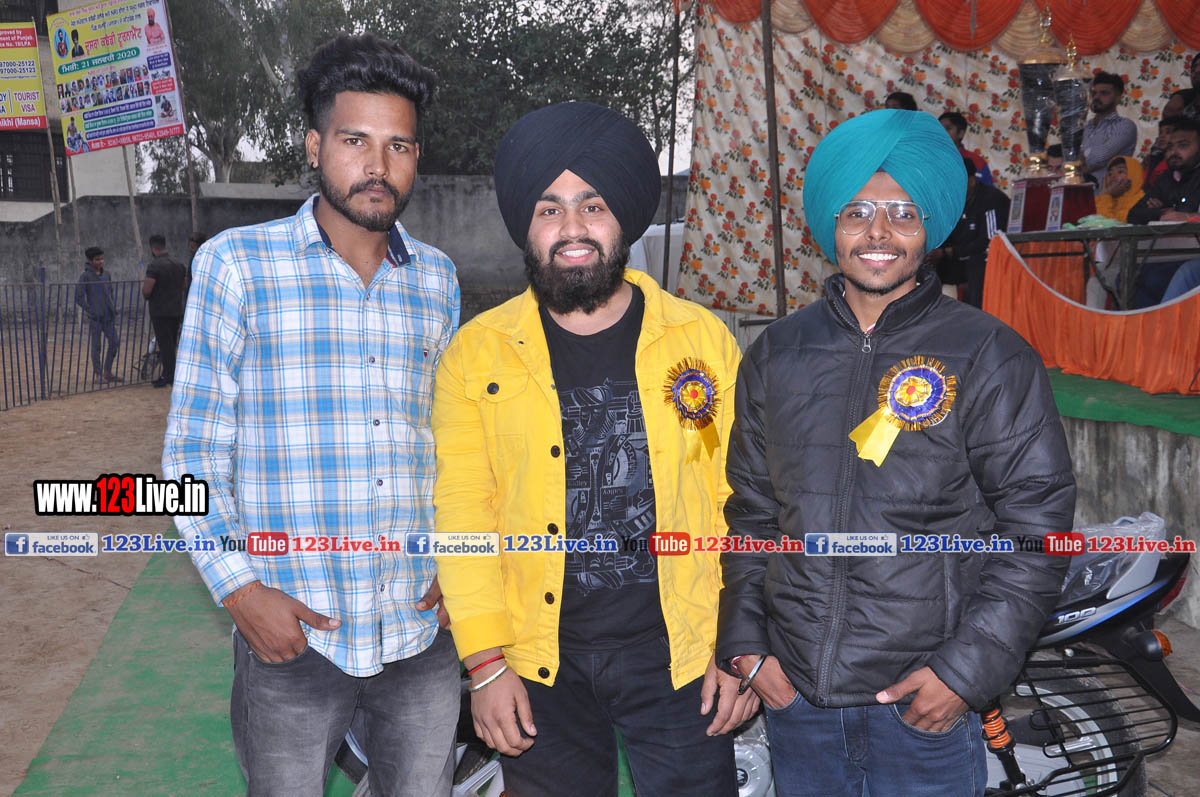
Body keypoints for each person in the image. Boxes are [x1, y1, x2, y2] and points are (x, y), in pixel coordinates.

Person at [716, 109, 1076, 797]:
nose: (878, 232)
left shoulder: (990, 355)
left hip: (922, 705)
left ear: (928, 229)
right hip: (798, 699)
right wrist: (748, 647)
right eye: (857, 212)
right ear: (831, 225)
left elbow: (1037, 531)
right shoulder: (777, 353)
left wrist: (964, 673)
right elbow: (752, 515)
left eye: (903, 213)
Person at [162, 34, 461, 796]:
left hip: (418, 629)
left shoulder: (437, 280)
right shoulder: (236, 266)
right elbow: (191, 455)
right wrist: (241, 591)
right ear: (314, 145)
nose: (378, 165)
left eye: (399, 146)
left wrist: (460, 565)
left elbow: (454, 444)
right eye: (355, 140)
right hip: (291, 633)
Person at [432, 101, 755, 796]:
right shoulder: (476, 354)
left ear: (623, 220)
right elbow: (463, 514)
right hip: (537, 664)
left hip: (684, 656)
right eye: (549, 209)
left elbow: (742, 501)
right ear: (526, 225)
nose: (572, 228)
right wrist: (484, 665)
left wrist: (740, 643)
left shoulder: (702, 340)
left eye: (593, 206)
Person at [1127, 118, 1200, 305]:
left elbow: (1187, 213)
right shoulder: (1166, 178)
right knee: (1128, 276)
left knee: (1161, 277)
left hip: (1192, 254)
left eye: (1183, 146)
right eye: (1169, 147)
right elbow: (1134, 214)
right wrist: (1160, 214)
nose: (1173, 152)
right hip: (1173, 253)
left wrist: (1182, 213)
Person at [929, 157, 1010, 308]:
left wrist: (947, 252)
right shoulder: (952, 202)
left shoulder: (991, 199)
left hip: (989, 262)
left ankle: (979, 316)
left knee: (977, 263)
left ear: (971, 181)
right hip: (960, 260)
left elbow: (991, 242)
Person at [141, 234, 188, 387]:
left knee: (165, 344)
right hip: (176, 310)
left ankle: (168, 376)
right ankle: (170, 374)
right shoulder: (179, 264)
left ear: (153, 249)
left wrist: (147, 295)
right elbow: (185, 286)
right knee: (171, 344)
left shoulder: (154, 266)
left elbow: (147, 290)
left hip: (160, 311)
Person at [75, 246, 122, 383]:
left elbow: (110, 292)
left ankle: (107, 371)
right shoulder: (85, 276)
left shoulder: (106, 274)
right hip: (95, 318)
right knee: (96, 347)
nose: (100, 261)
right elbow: (78, 297)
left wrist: (112, 307)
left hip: (108, 316)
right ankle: (98, 374)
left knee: (114, 343)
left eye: (102, 259)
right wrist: (90, 310)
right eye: (97, 259)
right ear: (90, 261)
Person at [1081, 72, 1138, 184]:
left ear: (1118, 98)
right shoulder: (1085, 127)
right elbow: (1067, 159)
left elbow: (1098, 158)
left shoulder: (1125, 126)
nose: (1096, 97)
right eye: (1094, 93)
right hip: (1078, 190)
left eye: (1104, 93)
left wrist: (1080, 161)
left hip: (1108, 192)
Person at [938, 111, 994, 186]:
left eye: (948, 128)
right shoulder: (928, 158)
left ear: (960, 133)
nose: (942, 132)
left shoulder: (977, 161)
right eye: (939, 128)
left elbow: (987, 191)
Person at [1093, 155, 1144, 223]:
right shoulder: (1103, 198)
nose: (1113, 176)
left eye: (1120, 172)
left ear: (1134, 176)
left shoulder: (1141, 200)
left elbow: (1107, 224)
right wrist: (1104, 196)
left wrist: (1105, 196)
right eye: (1110, 174)